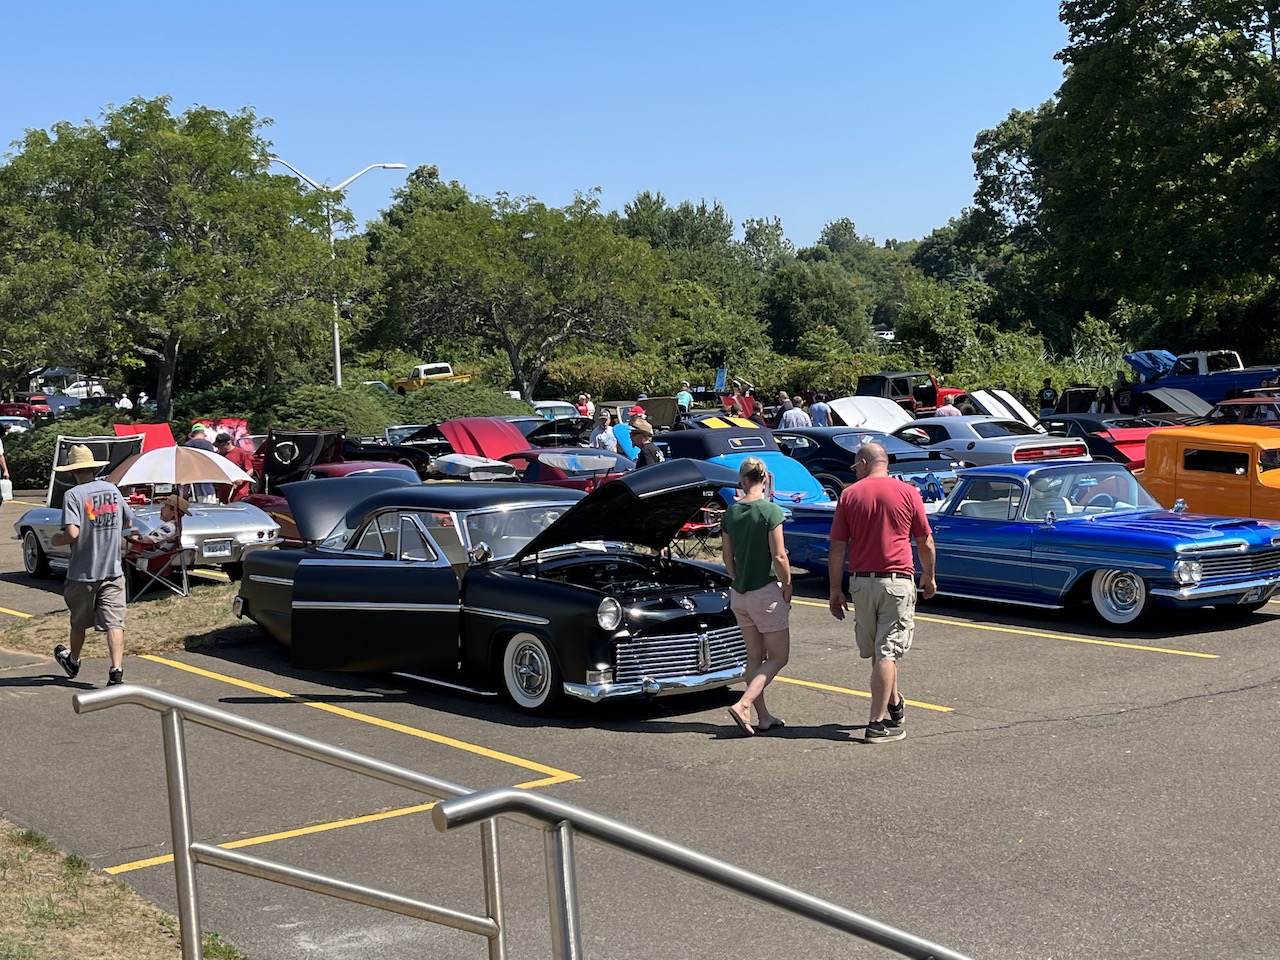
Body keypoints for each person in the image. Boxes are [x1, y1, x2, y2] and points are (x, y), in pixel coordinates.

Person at [827, 441, 935, 744]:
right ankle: (876, 724)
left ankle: (894, 702)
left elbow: (837, 548)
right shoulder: (908, 492)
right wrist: (929, 575)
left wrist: (836, 589)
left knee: (879, 649)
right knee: (887, 650)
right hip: (897, 581)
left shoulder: (849, 495)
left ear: (863, 464)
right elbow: (924, 540)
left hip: (862, 583)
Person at [50, 445, 133, 686]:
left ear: (73, 472)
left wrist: (58, 539)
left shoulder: (73, 495)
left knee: (79, 621)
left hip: (83, 572)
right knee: (115, 622)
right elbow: (128, 521)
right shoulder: (112, 490)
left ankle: (73, 660)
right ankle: (116, 670)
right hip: (112, 569)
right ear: (93, 468)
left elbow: (72, 532)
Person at [722, 457, 791, 736]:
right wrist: (787, 582)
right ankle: (745, 703)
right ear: (765, 480)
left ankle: (763, 716)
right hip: (765, 591)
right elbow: (779, 554)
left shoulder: (730, 512)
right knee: (778, 656)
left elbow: (727, 556)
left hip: (740, 593)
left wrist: (737, 578)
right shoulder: (770, 511)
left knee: (754, 656)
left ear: (742, 480)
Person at [214, 432, 257, 501]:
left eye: (220, 446)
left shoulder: (240, 453)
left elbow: (250, 470)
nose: (218, 449)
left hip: (238, 493)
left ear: (228, 443)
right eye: (217, 447)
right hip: (223, 492)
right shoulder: (218, 455)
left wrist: (242, 479)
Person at [184, 424, 218, 503]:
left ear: (193, 433)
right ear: (203, 433)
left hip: (192, 482)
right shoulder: (208, 444)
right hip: (207, 481)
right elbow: (212, 461)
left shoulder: (187, 445)